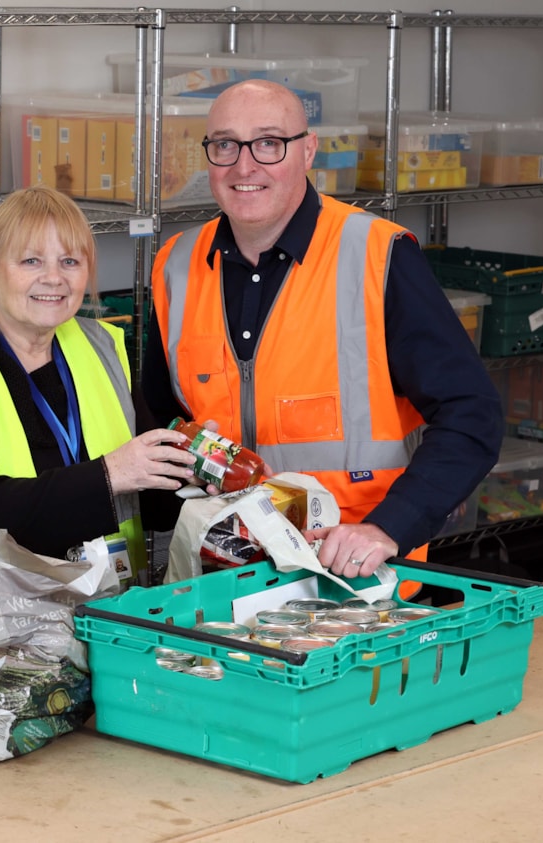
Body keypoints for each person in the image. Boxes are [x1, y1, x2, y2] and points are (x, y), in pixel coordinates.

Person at [142, 79, 504, 583]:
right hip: (224, 578)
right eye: (225, 144)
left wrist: (387, 528)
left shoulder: (376, 255)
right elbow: (163, 421)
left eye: (269, 143)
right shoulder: (175, 265)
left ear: (307, 150)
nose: (244, 166)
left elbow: (473, 415)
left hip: (357, 581)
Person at [0, 185, 196, 587]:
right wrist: (109, 475)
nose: (53, 278)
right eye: (31, 260)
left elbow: (151, 501)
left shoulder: (102, 347)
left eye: (70, 261)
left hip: (108, 611)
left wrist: (190, 469)